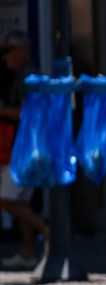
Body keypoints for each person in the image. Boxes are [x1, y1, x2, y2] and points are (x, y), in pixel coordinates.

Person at [0, 30, 49, 270]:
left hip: (20, 148)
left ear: (23, 51)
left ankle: (49, 233)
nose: (5, 56)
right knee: (21, 203)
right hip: (27, 147)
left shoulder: (28, 78)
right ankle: (28, 251)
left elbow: (26, 114)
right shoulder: (24, 76)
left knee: (6, 200)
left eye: (9, 49)